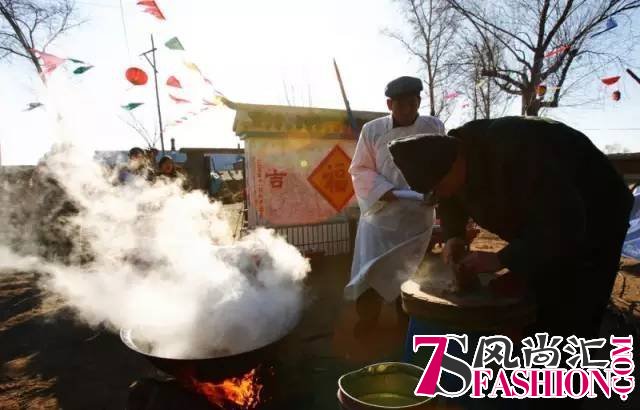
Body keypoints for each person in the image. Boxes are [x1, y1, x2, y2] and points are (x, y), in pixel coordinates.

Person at [389, 117, 633, 348]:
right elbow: (450, 200)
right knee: (538, 279)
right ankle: (531, 349)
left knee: (576, 299)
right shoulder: (451, 160)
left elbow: (563, 222)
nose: (440, 194)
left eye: (439, 187)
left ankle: (567, 372)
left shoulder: (516, 152)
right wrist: (454, 236)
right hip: (546, 215)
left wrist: (501, 259)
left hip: (597, 207)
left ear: (455, 161)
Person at [345, 76, 444, 334]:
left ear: (419, 101)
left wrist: (438, 190)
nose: (408, 110)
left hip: (417, 220)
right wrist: (383, 190)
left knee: (411, 275)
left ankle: (407, 323)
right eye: (401, 105)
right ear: (390, 105)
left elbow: (443, 167)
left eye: (413, 104)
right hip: (380, 220)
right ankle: (367, 322)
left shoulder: (434, 126)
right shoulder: (373, 130)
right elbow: (360, 169)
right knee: (370, 274)